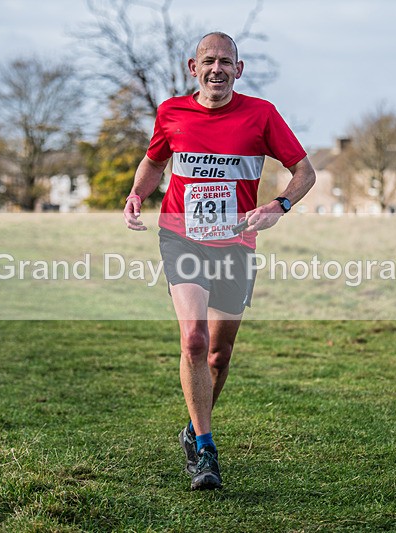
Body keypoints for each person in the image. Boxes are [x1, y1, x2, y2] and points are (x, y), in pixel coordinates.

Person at [123, 32, 316, 490]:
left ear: (238, 69)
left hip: (236, 244)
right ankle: (206, 450)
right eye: (208, 61)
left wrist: (278, 206)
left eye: (225, 62)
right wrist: (136, 194)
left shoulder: (261, 115)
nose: (216, 69)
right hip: (181, 237)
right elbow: (154, 162)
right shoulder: (171, 112)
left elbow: (305, 172)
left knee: (218, 353)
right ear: (194, 67)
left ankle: (194, 425)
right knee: (193, 338)